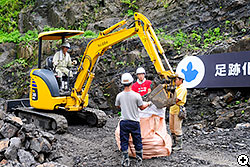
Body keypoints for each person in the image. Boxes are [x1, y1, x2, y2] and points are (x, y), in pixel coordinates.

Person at [115, 73, 152, 167]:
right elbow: (142, 107)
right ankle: (139, 158)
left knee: (124, 140)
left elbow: (118, 106)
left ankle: (125, 159)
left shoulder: (119, 96)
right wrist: (148, 103)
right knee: (137, 140)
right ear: (132, 82)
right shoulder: (136, 96)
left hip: (124, 122)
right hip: (134, 122)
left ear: (122, 83)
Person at [169, 72, 187, 151]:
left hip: (178, 110)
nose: (175, 81)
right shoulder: (176, 88)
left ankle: (179, 144)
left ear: (181, 80)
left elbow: (177, 99)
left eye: (176, 80)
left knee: (177, 127)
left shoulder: (182, 88)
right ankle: (174, 142)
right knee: (172, 127)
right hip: (172, 109)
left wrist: (168, 100)